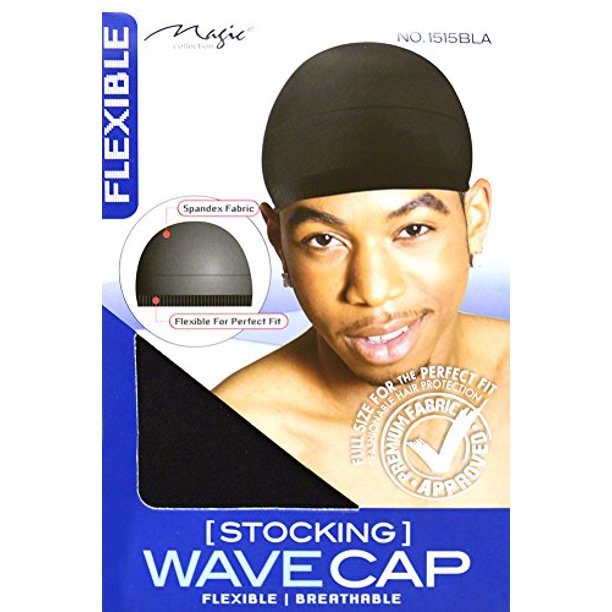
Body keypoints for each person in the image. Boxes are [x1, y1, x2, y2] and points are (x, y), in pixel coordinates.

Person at [214, 42, 509, 507]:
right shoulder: (233, 442)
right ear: (280, 245)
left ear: (475, 219)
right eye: (324, 240)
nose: (373, 291)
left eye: (412, 230)